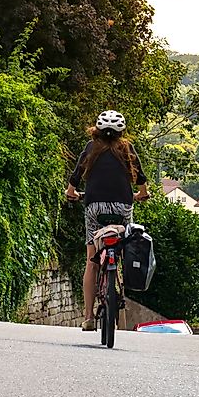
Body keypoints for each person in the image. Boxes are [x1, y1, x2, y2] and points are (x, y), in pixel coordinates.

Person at [65, 110, 150, 330]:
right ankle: (116, 270)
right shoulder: (127, 148)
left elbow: (75, 176)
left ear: (97, 131)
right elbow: (140, 178)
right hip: (123, 207)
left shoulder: (90, 148)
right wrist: (142, 194)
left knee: (91, 262)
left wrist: (71, 192)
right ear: (122, 132)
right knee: (123, 245)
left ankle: (88, 318)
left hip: (94, 207)